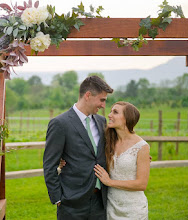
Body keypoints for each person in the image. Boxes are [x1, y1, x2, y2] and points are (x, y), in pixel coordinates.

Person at [43, 75, 114, 220]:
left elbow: (108, 150)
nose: (103, 106)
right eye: (102, 100)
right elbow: (49, 165)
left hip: (100, 201)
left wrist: (137, 154)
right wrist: (58, 198)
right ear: (88, 95)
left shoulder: (102, 121)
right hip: (71, 203)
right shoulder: (60, 123)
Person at [94, 101, 150, 219]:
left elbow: (142, 184)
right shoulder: (108, 141)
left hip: (133, 210)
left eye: (115, 112)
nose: (109, 115)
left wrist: (109, 182)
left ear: (127, 118)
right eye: (110, 111)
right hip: (111, 207)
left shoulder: (142, 146)